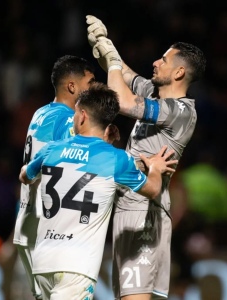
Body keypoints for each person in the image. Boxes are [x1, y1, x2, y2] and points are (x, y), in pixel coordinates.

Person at [18, 82, 178, 300]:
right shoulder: (116, 159)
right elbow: (153, 189)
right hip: (76, 268)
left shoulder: (52, 149)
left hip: (43, 262)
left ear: (82, 116)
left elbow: (25, 176)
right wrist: (156, 169)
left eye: (75, 114)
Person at [86, 15, 207, 299]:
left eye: (164, 60)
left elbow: (123, 101)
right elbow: (123, 75)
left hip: (144, 210)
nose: (156, 62)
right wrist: (106, 45)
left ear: (179, 73)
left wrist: (113, 63)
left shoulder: (181, 111)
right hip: (134, 204)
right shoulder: (155, 92)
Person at [12, 55, 98, 300]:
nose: (93, 88)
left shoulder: (41, 113)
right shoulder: (65, 118)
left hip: (29, 226)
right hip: (48, 232)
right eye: (90, 82)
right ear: (72, 86)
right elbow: (60, 160)